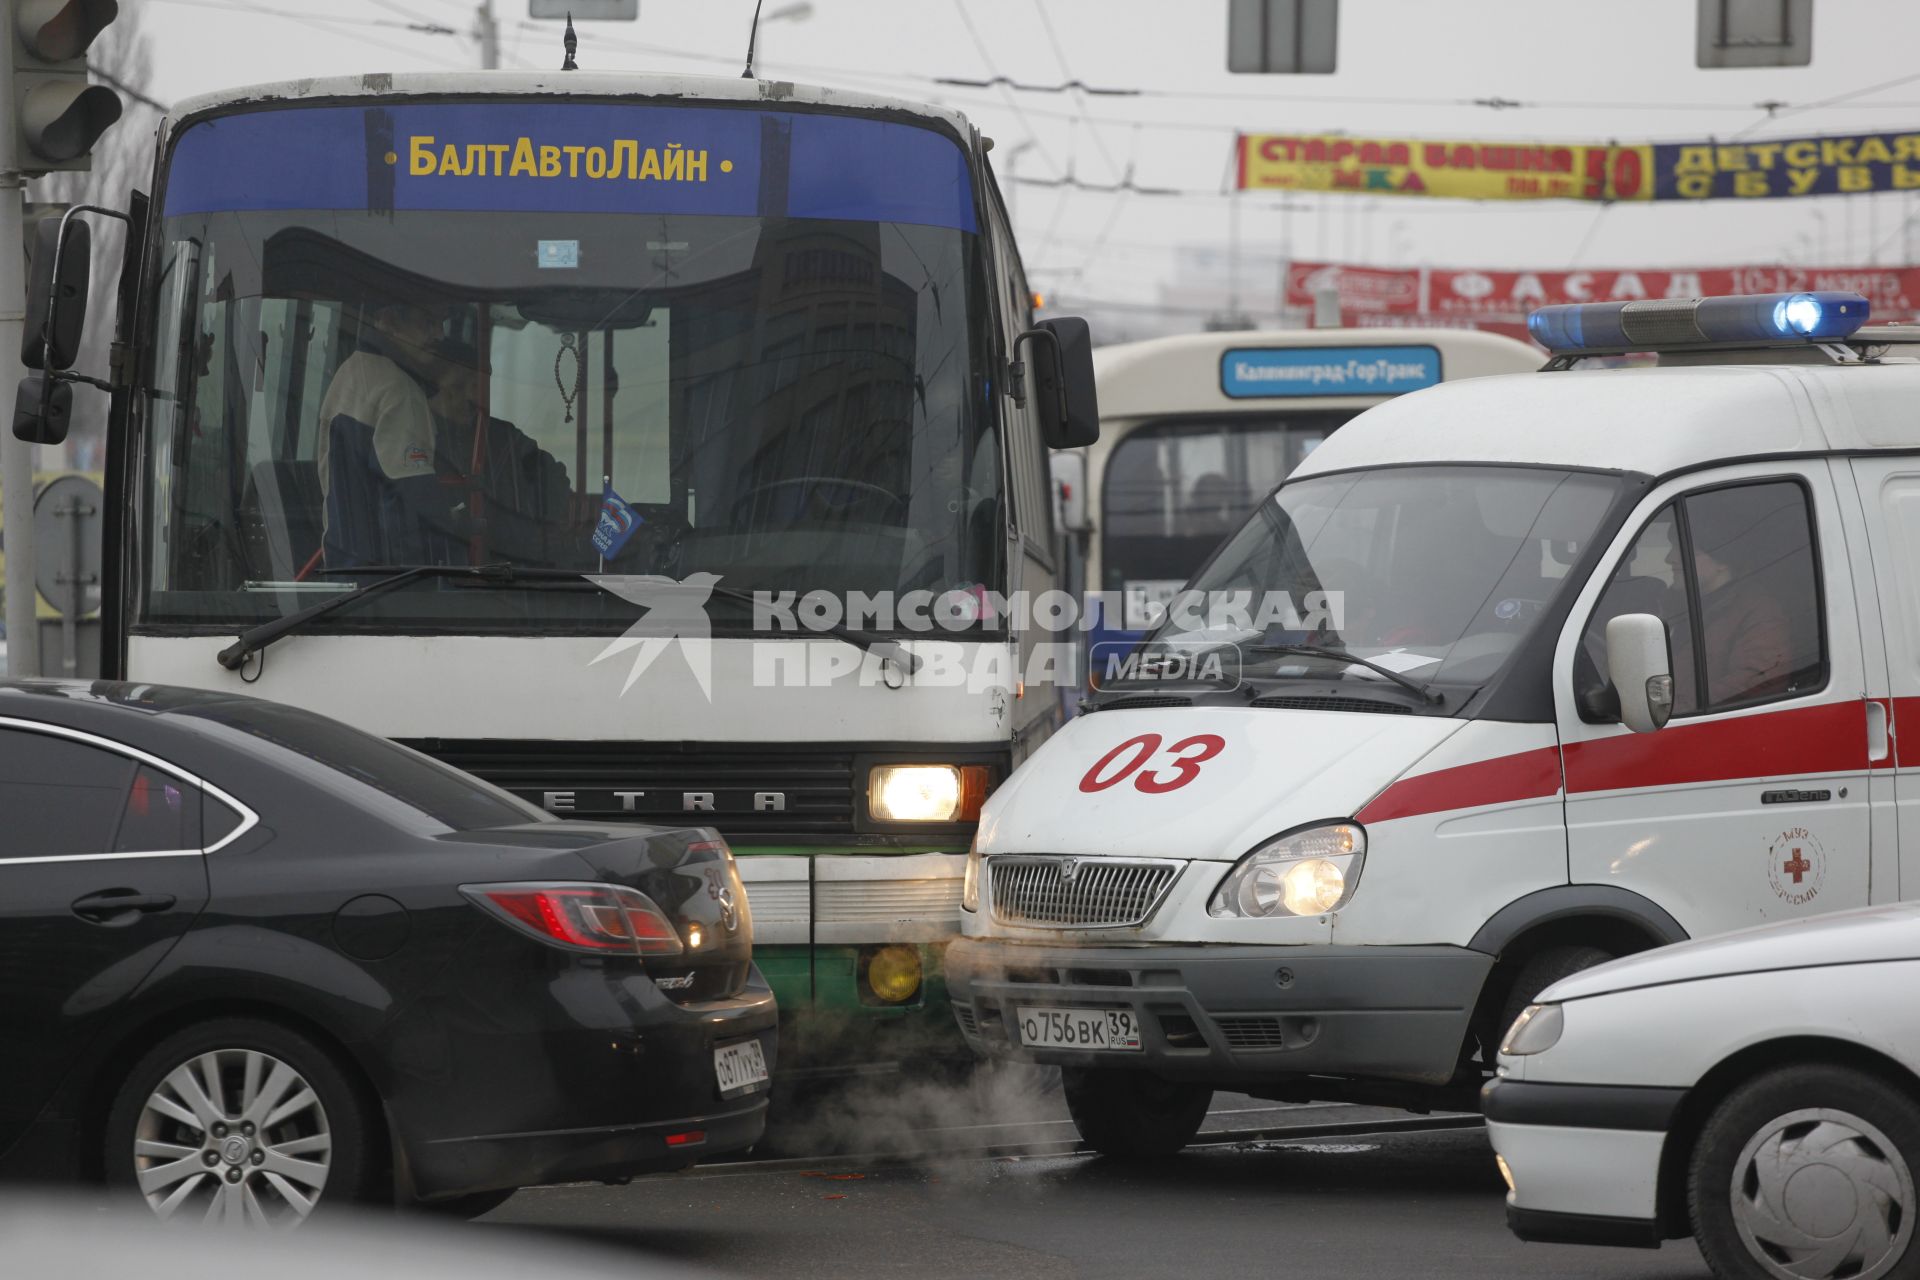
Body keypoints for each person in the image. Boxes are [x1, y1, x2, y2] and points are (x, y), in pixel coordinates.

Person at [1692, 540, 1792, 703]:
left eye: (1690, 552)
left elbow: (1755, 680)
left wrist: (1678, 707)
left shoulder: (1760, 612)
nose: (1669, 558)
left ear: (1722, 562)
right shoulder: (1677, 607)